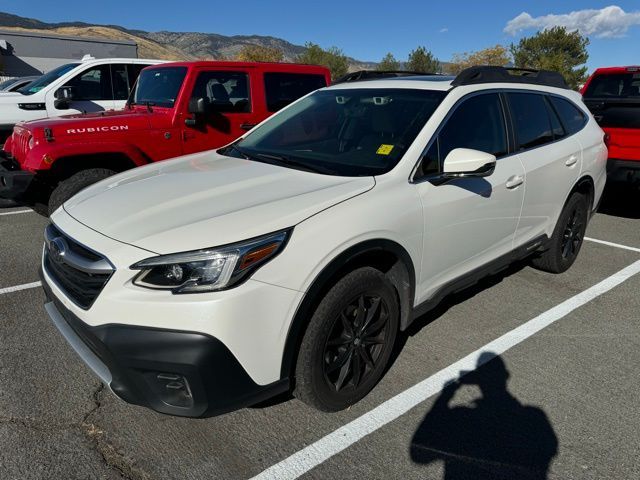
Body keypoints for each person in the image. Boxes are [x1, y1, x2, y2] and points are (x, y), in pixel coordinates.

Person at [410, 352, 558, 480]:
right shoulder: (534, 417)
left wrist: (445, 396)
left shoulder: (461, 417)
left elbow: (417, 455)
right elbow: (549, 451)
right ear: (505, 376)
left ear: (477, 381)